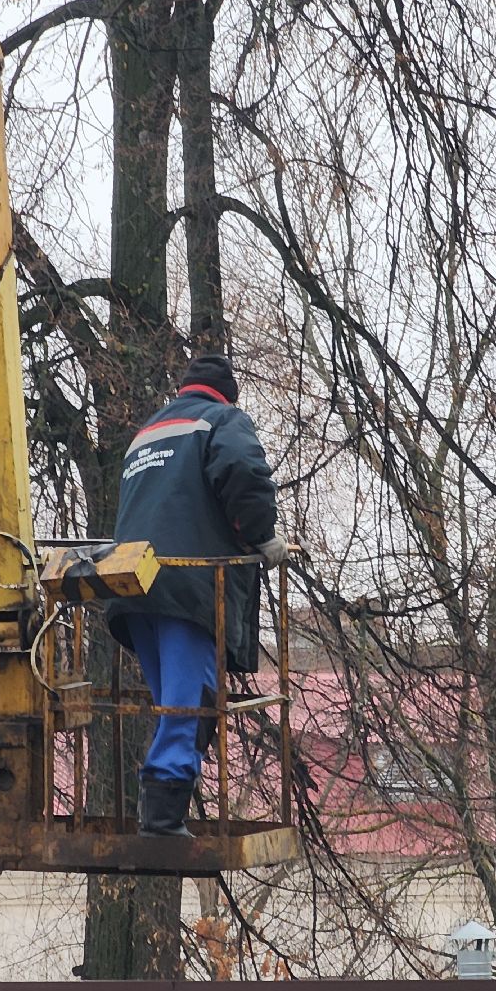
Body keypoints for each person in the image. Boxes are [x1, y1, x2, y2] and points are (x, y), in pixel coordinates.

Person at [105, 354, 287, 837]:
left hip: (133, 586)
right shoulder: (221, 419)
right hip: (187, 587)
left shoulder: (147, 432)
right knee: (194, 703)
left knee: (174, 705)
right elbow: (243, 473)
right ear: (227, 394)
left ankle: (160, 807)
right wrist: (264, 537)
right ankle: (162, 814)